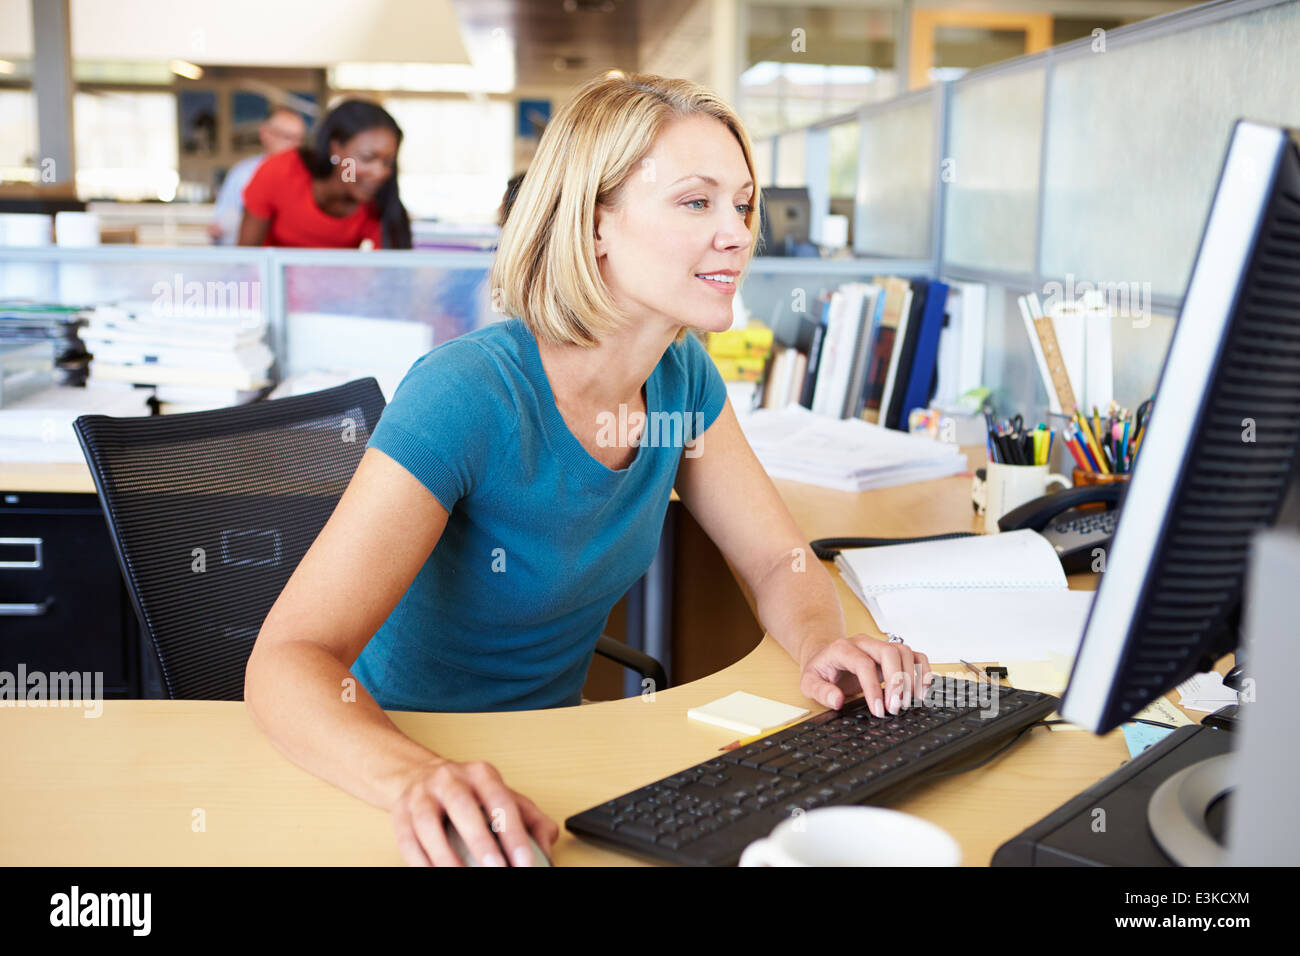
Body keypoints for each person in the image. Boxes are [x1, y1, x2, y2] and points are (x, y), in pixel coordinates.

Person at [244, 72, 933, 867]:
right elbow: (288, 660)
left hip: (549, 757)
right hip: (397, 771)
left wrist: (822, 644)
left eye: (742, 205)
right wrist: (414, 778)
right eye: (695, 202)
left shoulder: (683, 384)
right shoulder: (468, 394)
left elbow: (776, 562)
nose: (740, 233)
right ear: (595, 222)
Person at [238, 99, 412, 249]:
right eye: (367, 158)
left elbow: (390, 277)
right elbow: (244, 261)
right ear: (335, 148)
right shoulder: (280, 172)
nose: (379, 173)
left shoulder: (377, 204)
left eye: (388, 162)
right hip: (271, 285)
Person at [207, 106, 305, 245]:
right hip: (252, 260)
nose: (294, 146)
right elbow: (221, 226)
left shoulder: (309, 177)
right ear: (265, 133)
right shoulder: (242, 174)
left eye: (299, 139)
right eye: (287, 137)